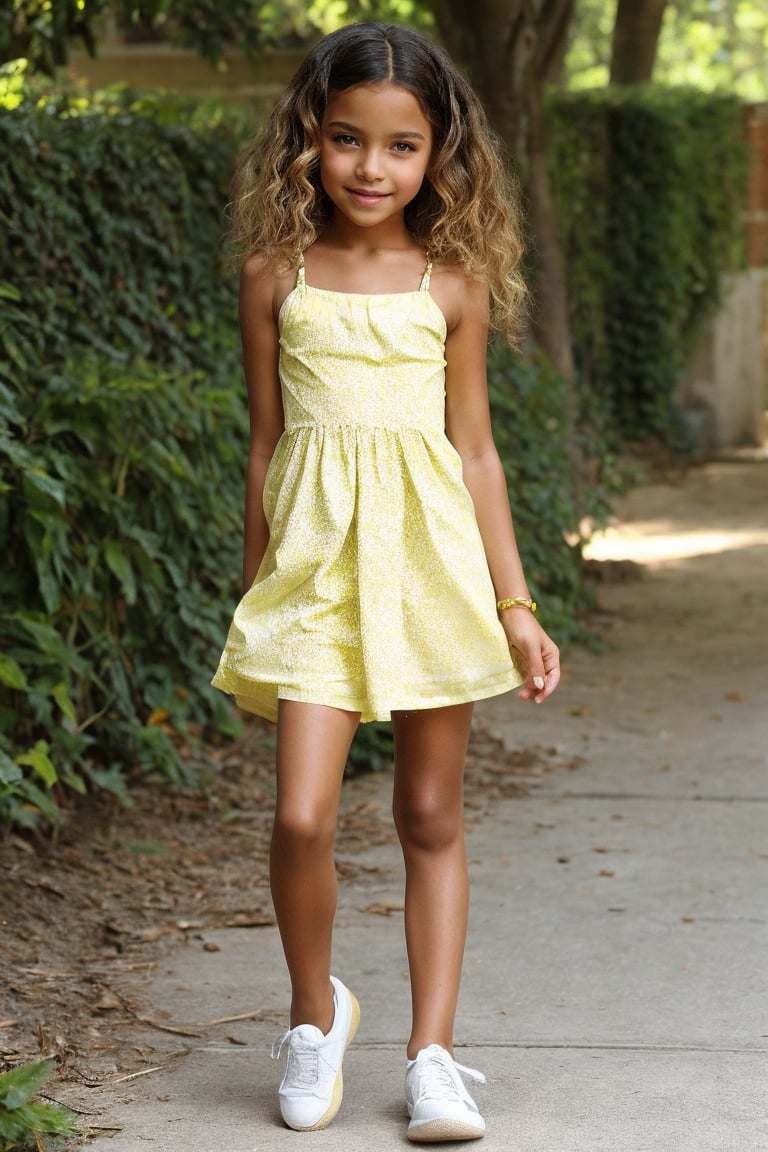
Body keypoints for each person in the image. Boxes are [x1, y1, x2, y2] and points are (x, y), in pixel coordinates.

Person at [212, 20, 560, 1142]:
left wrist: (515, 603)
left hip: (427, 571)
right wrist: (253, 584)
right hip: (312, 577)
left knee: (426, 812)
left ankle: (434, 1058)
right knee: (302, 816)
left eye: (401, 145)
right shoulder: (278, 276)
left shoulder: (451, 286)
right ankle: (317, 1018)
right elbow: (266, 444)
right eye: (347, 138)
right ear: (308, 140)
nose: (371, 167)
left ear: (439, 153)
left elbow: (475, 453)